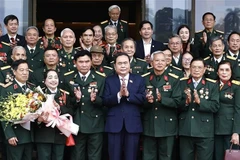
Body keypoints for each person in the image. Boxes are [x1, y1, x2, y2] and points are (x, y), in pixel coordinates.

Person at [64, 50, 105, 160]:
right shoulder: (68, 78)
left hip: (95, 123)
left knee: (94, 156)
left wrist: (95, 99)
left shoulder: (101, 78)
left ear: (91, 62)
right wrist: (76, 99)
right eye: (81, 62)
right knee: (77, 155)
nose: (84, 65)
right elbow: (65, 103)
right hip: (77, 124)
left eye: (87, 61)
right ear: (75, 63)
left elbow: (105, 102)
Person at [103, 52, 145, 160]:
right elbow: (105, 100)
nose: (123, 66)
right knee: (114, 156)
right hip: (114, 124)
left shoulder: (138, 79)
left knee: (131, 156)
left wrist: (129, 95)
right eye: (120, 63)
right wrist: (118, 95)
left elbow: (143, 99)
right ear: (115, 66)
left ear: (129, 64)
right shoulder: (109, 80)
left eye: (125, 63)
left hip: (132, 124)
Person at [142, 51, 181, 160]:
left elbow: (177, 102)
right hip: (149, 124)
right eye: (157, 60)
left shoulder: (173, 79)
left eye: (162, 60)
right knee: (148, 156)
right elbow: (139, 102)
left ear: (166, 63)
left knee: (166, 157)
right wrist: (147, 101)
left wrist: (162, 99)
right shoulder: (144, 78)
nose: (160, 63)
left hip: (167, 125)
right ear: (151, 62)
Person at [179, 58, 219, 160]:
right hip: (186, 129)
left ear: (204, 69)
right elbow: (176, 105)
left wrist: (200, 102)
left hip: (204, 131)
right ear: (190, 68)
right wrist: (186, 102)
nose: (196, 70)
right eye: (194, 67)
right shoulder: (182, 83)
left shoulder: (212, 85)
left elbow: (215, 106)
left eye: (199, 67)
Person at [0, 59, 34, 160]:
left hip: (30, 135)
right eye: (21, 70)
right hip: (15, 135)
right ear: (14, 72)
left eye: (27, 70)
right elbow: (3, 114)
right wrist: (9, 135)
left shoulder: (32, 88)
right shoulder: (8, 89)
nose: (25, 73)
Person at [35, 69, 72, 160]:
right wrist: (39, 119)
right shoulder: (39, 94)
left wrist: (59, 108)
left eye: (56, 77)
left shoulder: (65, 94)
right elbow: (32, 113)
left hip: (59, 135)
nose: (53, 80)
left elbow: (71, 111)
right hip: (43, 134)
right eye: (50, 77)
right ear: (45, 80)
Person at [214, 60, 240, 160]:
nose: (224, 72)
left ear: (231, 72)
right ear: (217, 72)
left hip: (230, 129)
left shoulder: (236, 87)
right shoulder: (212, 85)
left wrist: (236, 132)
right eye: (221, 70)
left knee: (230, 157)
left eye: (227, 70)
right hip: (214, 128)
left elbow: (238, 109)